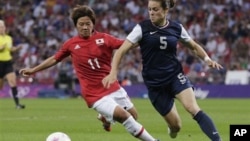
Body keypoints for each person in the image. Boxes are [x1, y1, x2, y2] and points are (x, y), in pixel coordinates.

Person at [19, 5, 159, 141]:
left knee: (133, 116)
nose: (85, 27)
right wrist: (33, 70)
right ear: (76, 25)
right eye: (81, 24)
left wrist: (147, 39)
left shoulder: (105, 38)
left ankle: (105, 117)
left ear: (93, 23)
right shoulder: (71, 44)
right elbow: (55, 59)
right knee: (123, 116)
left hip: (112, 86)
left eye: (88, 23)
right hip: (93, 94)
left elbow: (127, 45)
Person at [102, 0, 223, 141]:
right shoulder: (142, 28)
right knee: (176, 126)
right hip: (155, 85)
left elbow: (194, 46)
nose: (151, 13)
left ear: (165, 10)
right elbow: (120, 51)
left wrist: (208, 60)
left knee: (193, 108)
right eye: (150, 9)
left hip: (175, 76)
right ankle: (172, 129)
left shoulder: (176, 28)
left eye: (155, 9)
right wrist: (113, 72)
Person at [0, 20, 25, 109]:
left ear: (5, 28)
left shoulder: (8, 38)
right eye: (0, 27)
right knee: (1, 86)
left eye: (2, 27)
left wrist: (17, 48)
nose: (1, 28)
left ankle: (17, 104)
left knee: (13, 82)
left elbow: (11, 49)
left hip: (8, 62)